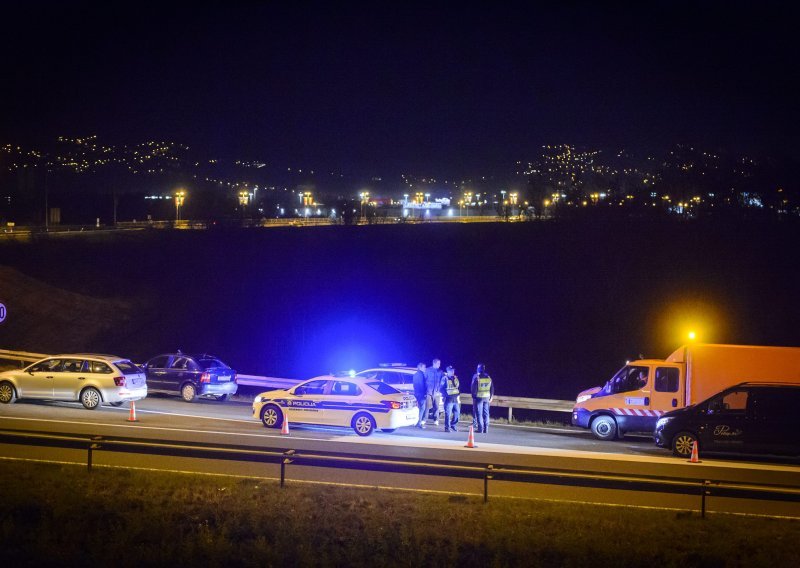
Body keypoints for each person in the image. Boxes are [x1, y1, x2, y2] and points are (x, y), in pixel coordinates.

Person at [471, 363, 494, 433]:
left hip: (479, 398)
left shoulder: (477, 377)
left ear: (478, 369)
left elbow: (473, 388)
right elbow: (492, 388)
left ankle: (480, 429)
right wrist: (491, 396)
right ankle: (486, 429)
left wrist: (474, 397)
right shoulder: (488, 377)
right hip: (487, 398)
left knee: (479, 414)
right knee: (486, 413)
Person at [424, 358, 444, 426]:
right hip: (428, 391)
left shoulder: (440, 372)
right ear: (434, 363)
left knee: (436, 407)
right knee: (426, 406)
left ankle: (436, 420)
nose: (439, 365)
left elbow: (442, 381)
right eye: (438, 363)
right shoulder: (427, 370)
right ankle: (424, 419)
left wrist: (440, 390)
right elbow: (424, 380)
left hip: (437, 392)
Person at [442, 365, 460, 432]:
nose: (453, 372)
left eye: (453, 370)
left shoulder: (455, 378)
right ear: (448, 371)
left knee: (457, 413)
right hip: (448, 399)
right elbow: (441, 388)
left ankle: (453, 425)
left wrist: (458, 394)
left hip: (455, 399)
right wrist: (446, 395)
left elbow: (458, 387)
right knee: (448, 414)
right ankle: (447, 427)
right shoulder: (445, 378)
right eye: (451, 371)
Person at [412, 362, 427, 428]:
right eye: (424, 367)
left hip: (416, 393)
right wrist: (425, 394)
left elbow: (414, 385)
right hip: (421, 394)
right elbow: (423, 385)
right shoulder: (422, 375)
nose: (425, 368)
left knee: (417, 408)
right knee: (422, 408)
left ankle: (416, 422)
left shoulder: (415, 374)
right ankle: (419, 422)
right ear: (420, 367)